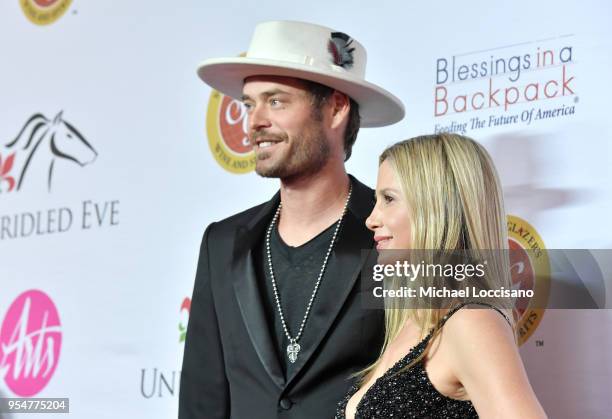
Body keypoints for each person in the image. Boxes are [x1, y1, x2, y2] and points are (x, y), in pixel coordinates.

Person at [179, 20, 405, 419]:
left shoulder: (398, 231)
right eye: (250, 104)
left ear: (335, 108)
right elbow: (203, 398)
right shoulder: (223, 242)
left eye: (277, 101)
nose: (255, 122)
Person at [336, 133, 547, 418]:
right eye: (376, 200)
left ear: (437, 206)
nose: (371, 219)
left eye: (388, 199)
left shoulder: (472, 321)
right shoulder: (412, 318)